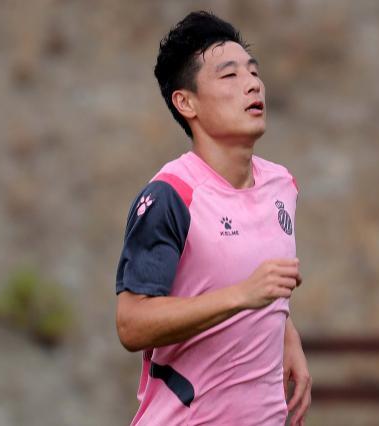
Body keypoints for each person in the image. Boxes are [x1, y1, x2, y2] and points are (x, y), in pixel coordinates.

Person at [115, 11, 311, 426]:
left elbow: (248, 278)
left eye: (253, 72)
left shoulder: (282, 185)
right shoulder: (171, 196)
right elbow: (131, 325)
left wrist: (286, 333)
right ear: (186, 103)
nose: (252, 84)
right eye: (229, 76)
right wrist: (242, 295)